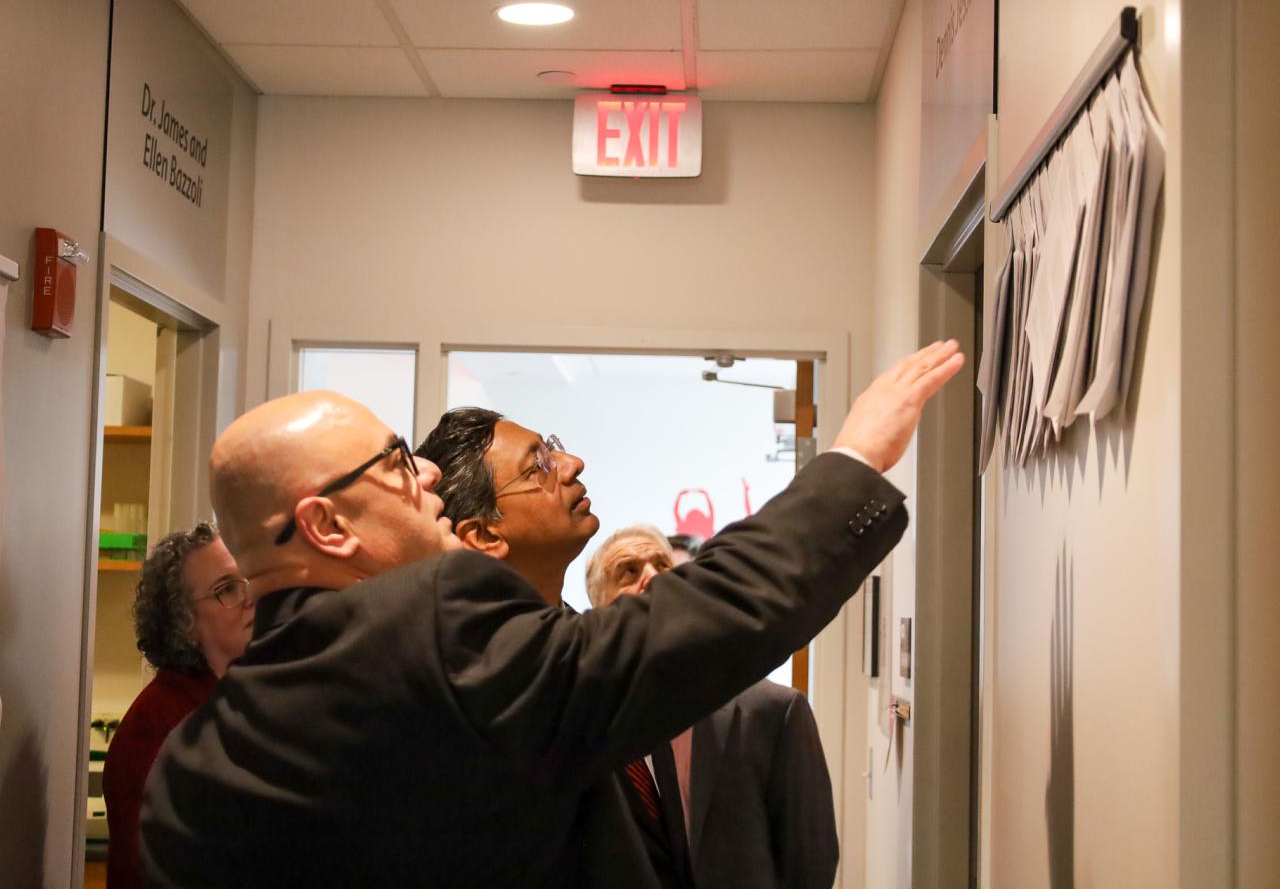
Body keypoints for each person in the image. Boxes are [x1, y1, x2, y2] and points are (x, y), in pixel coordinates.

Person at [141, 340, 963, 887]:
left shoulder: (188, 777)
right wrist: (855, 462)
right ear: (326, 525)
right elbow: (689, 625)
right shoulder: (434, 628)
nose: (425, 476)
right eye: (395, 464)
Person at [586, 526, 838, 889]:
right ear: (597, 610)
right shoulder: (584, 721)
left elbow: (810, 861)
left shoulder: (772, 711)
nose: (653, 578)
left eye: (664, 566)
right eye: (628, 570)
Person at [101, 523, 254, 889]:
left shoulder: (241, 697)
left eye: (251, 579)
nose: (251, 597)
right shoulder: (157, 726)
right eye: (227, 589)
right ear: (183, 623)